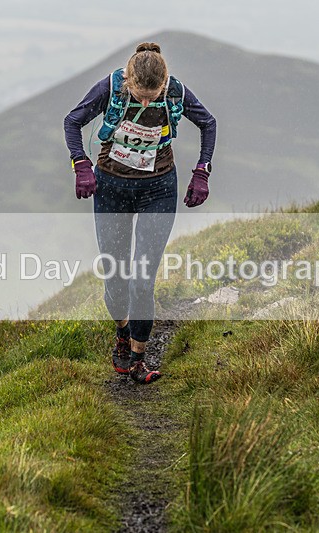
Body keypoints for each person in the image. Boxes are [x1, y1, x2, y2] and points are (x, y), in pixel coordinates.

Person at [63, 42, 216, 384]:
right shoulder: (110, 87)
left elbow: (208, 123)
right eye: (139, 94)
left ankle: (137, 360)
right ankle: (121, 331)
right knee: (116, 277)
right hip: (112, 186)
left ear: (163, 84)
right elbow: (73, 121)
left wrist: (201, 172)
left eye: (153, 95)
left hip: (158, 188)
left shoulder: (174, 91)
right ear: (128, 81)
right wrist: (81, 163)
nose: (146, 102)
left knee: (142, 280)